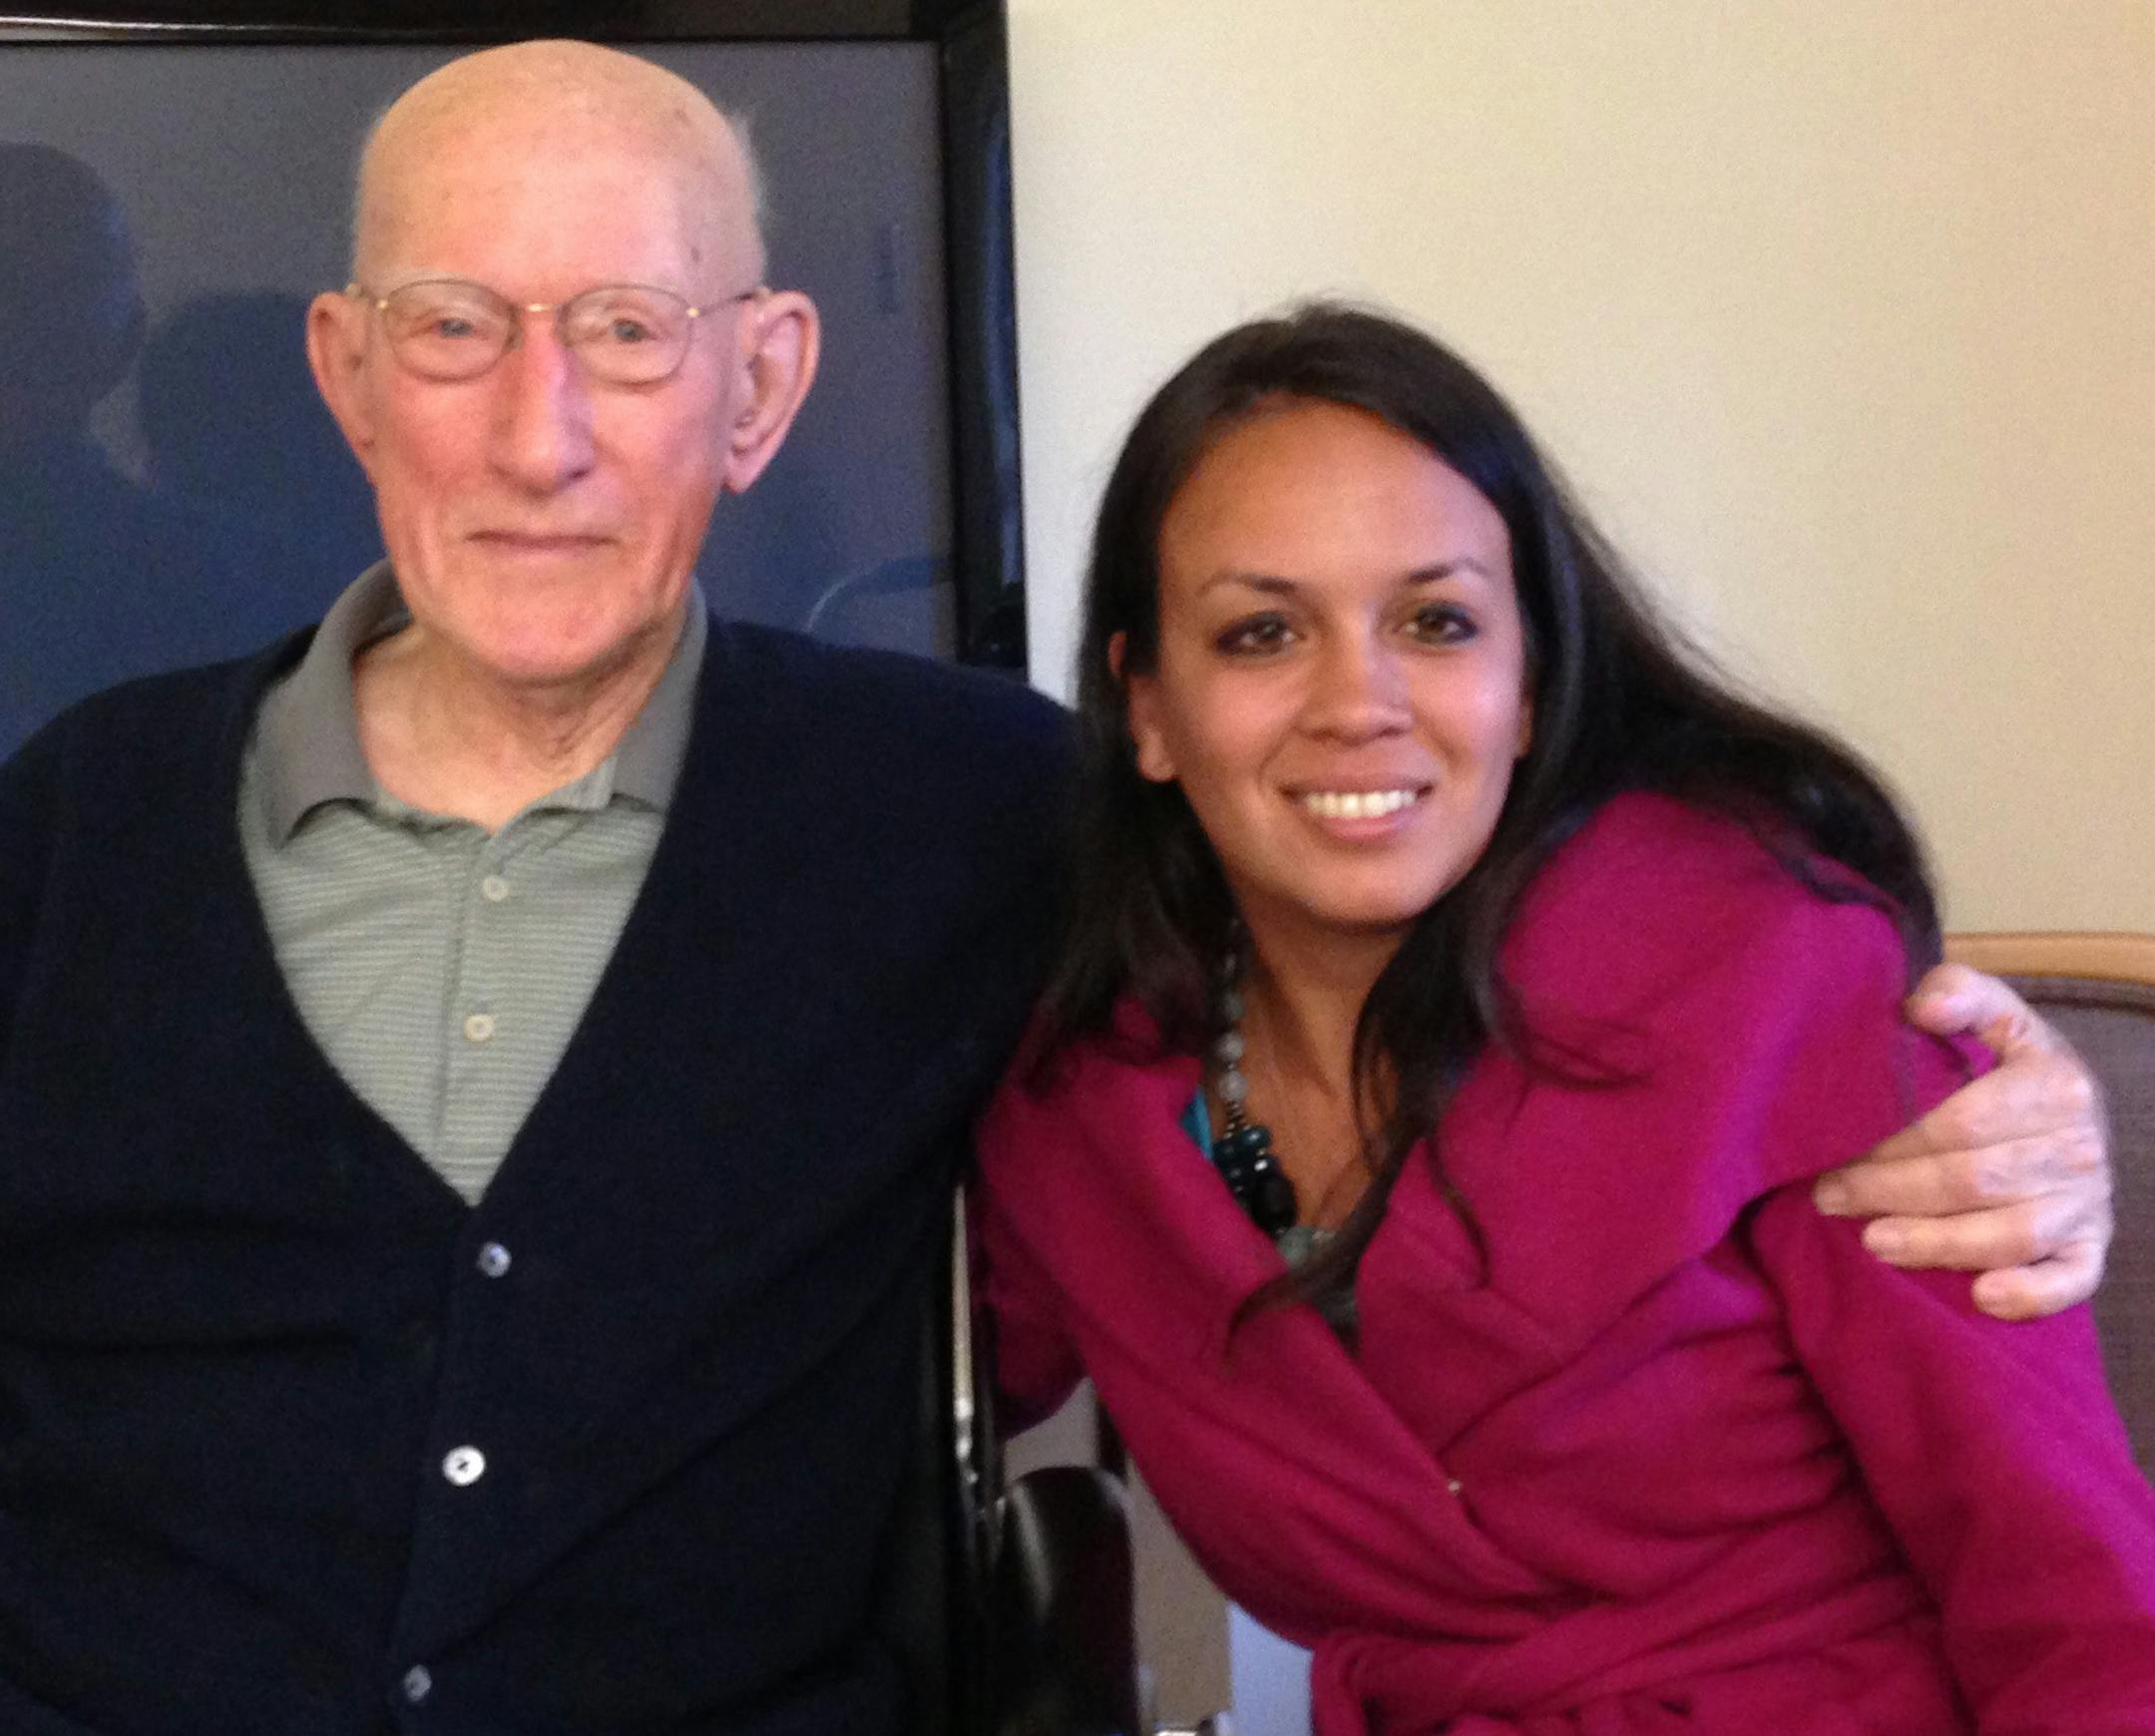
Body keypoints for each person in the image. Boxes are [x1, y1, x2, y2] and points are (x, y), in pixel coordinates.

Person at [0, 39, 2114, 1736]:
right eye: (457, 327)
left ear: (762, 388)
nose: (538, 434)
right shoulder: (71, 823)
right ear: (349, 372)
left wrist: (2010, 1100)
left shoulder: (959, 815)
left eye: (631, 332)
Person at [976, 304, 2155, 1733]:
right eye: (1263, 632)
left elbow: (2085, 1612)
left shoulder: (1785, 991)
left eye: (1437, 622)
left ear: (1529, 683)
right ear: (1147, 707)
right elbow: (848, 1387)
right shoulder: (1082, 1117)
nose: (1362, 701)